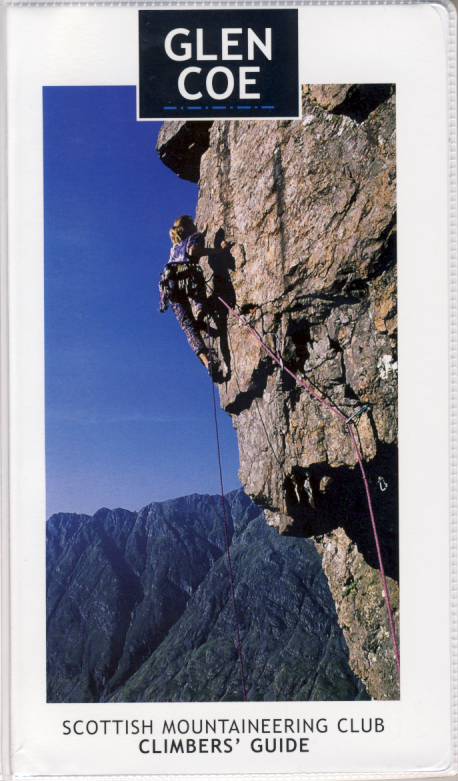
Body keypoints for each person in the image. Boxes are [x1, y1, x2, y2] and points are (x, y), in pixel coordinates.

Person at [159, 215, 230, 376]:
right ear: (190, 227)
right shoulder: (194, 237)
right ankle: (199, 309)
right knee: (197, 290)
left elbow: (186, 247)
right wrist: (220, 250)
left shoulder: (174, 247)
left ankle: (207, 361)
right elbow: (193, 250)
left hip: (169, 285)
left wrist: (203, 233)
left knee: (187, 326)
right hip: (187, 276)